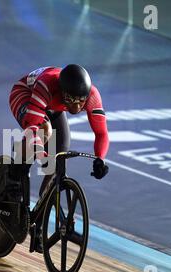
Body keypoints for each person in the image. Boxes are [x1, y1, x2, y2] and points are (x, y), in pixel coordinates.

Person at [7, 64, 109, 251]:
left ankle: (38, 219)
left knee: (61, 151)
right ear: (63, 92)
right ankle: (15, 175)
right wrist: (42, 155)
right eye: (72, 100)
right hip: (25, 95)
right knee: (43, 130)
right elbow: (32, 130)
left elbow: (102, 133)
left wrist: (100, 159)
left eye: (81, 101)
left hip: (54, 106)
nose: (77, 106)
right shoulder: (47, 85)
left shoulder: (92, 96)